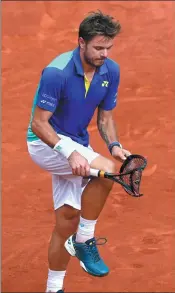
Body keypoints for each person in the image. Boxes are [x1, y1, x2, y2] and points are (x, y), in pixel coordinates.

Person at [27, 10, 131, 293]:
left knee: (68, 219)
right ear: (81, 43)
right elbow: (38, 124)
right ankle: (85, 241)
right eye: (98, 47)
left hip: (76, 143)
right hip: (45, 143)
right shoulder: (56, 72)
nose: (104, 54)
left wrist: (115, 145)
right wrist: (67, 153)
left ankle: (53, 287)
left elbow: (106, 118)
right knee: (108, 172)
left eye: (109, 47)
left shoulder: (111, 70)